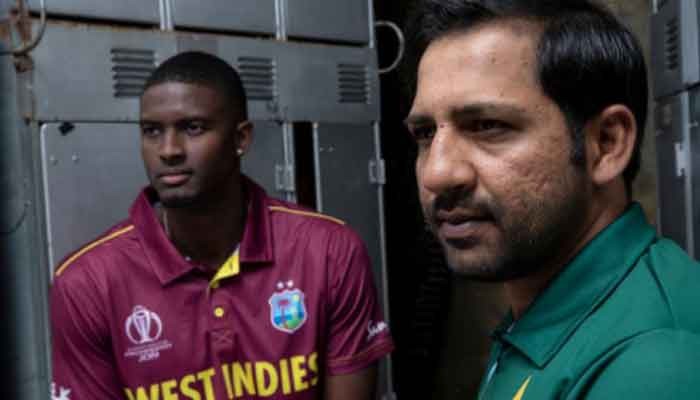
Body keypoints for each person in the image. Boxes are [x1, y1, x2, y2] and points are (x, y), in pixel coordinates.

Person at [50, 51, 393, 400]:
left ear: (241, 139)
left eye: (193, 128)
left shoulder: (329, 252)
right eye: (152, 131)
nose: (168, 150)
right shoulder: (87, 284)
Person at [404, 0, 700, 398]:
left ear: (606, 144)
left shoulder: (652, 364)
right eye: (425, 133)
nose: (437, 174)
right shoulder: (547, 305)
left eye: (487, 126)